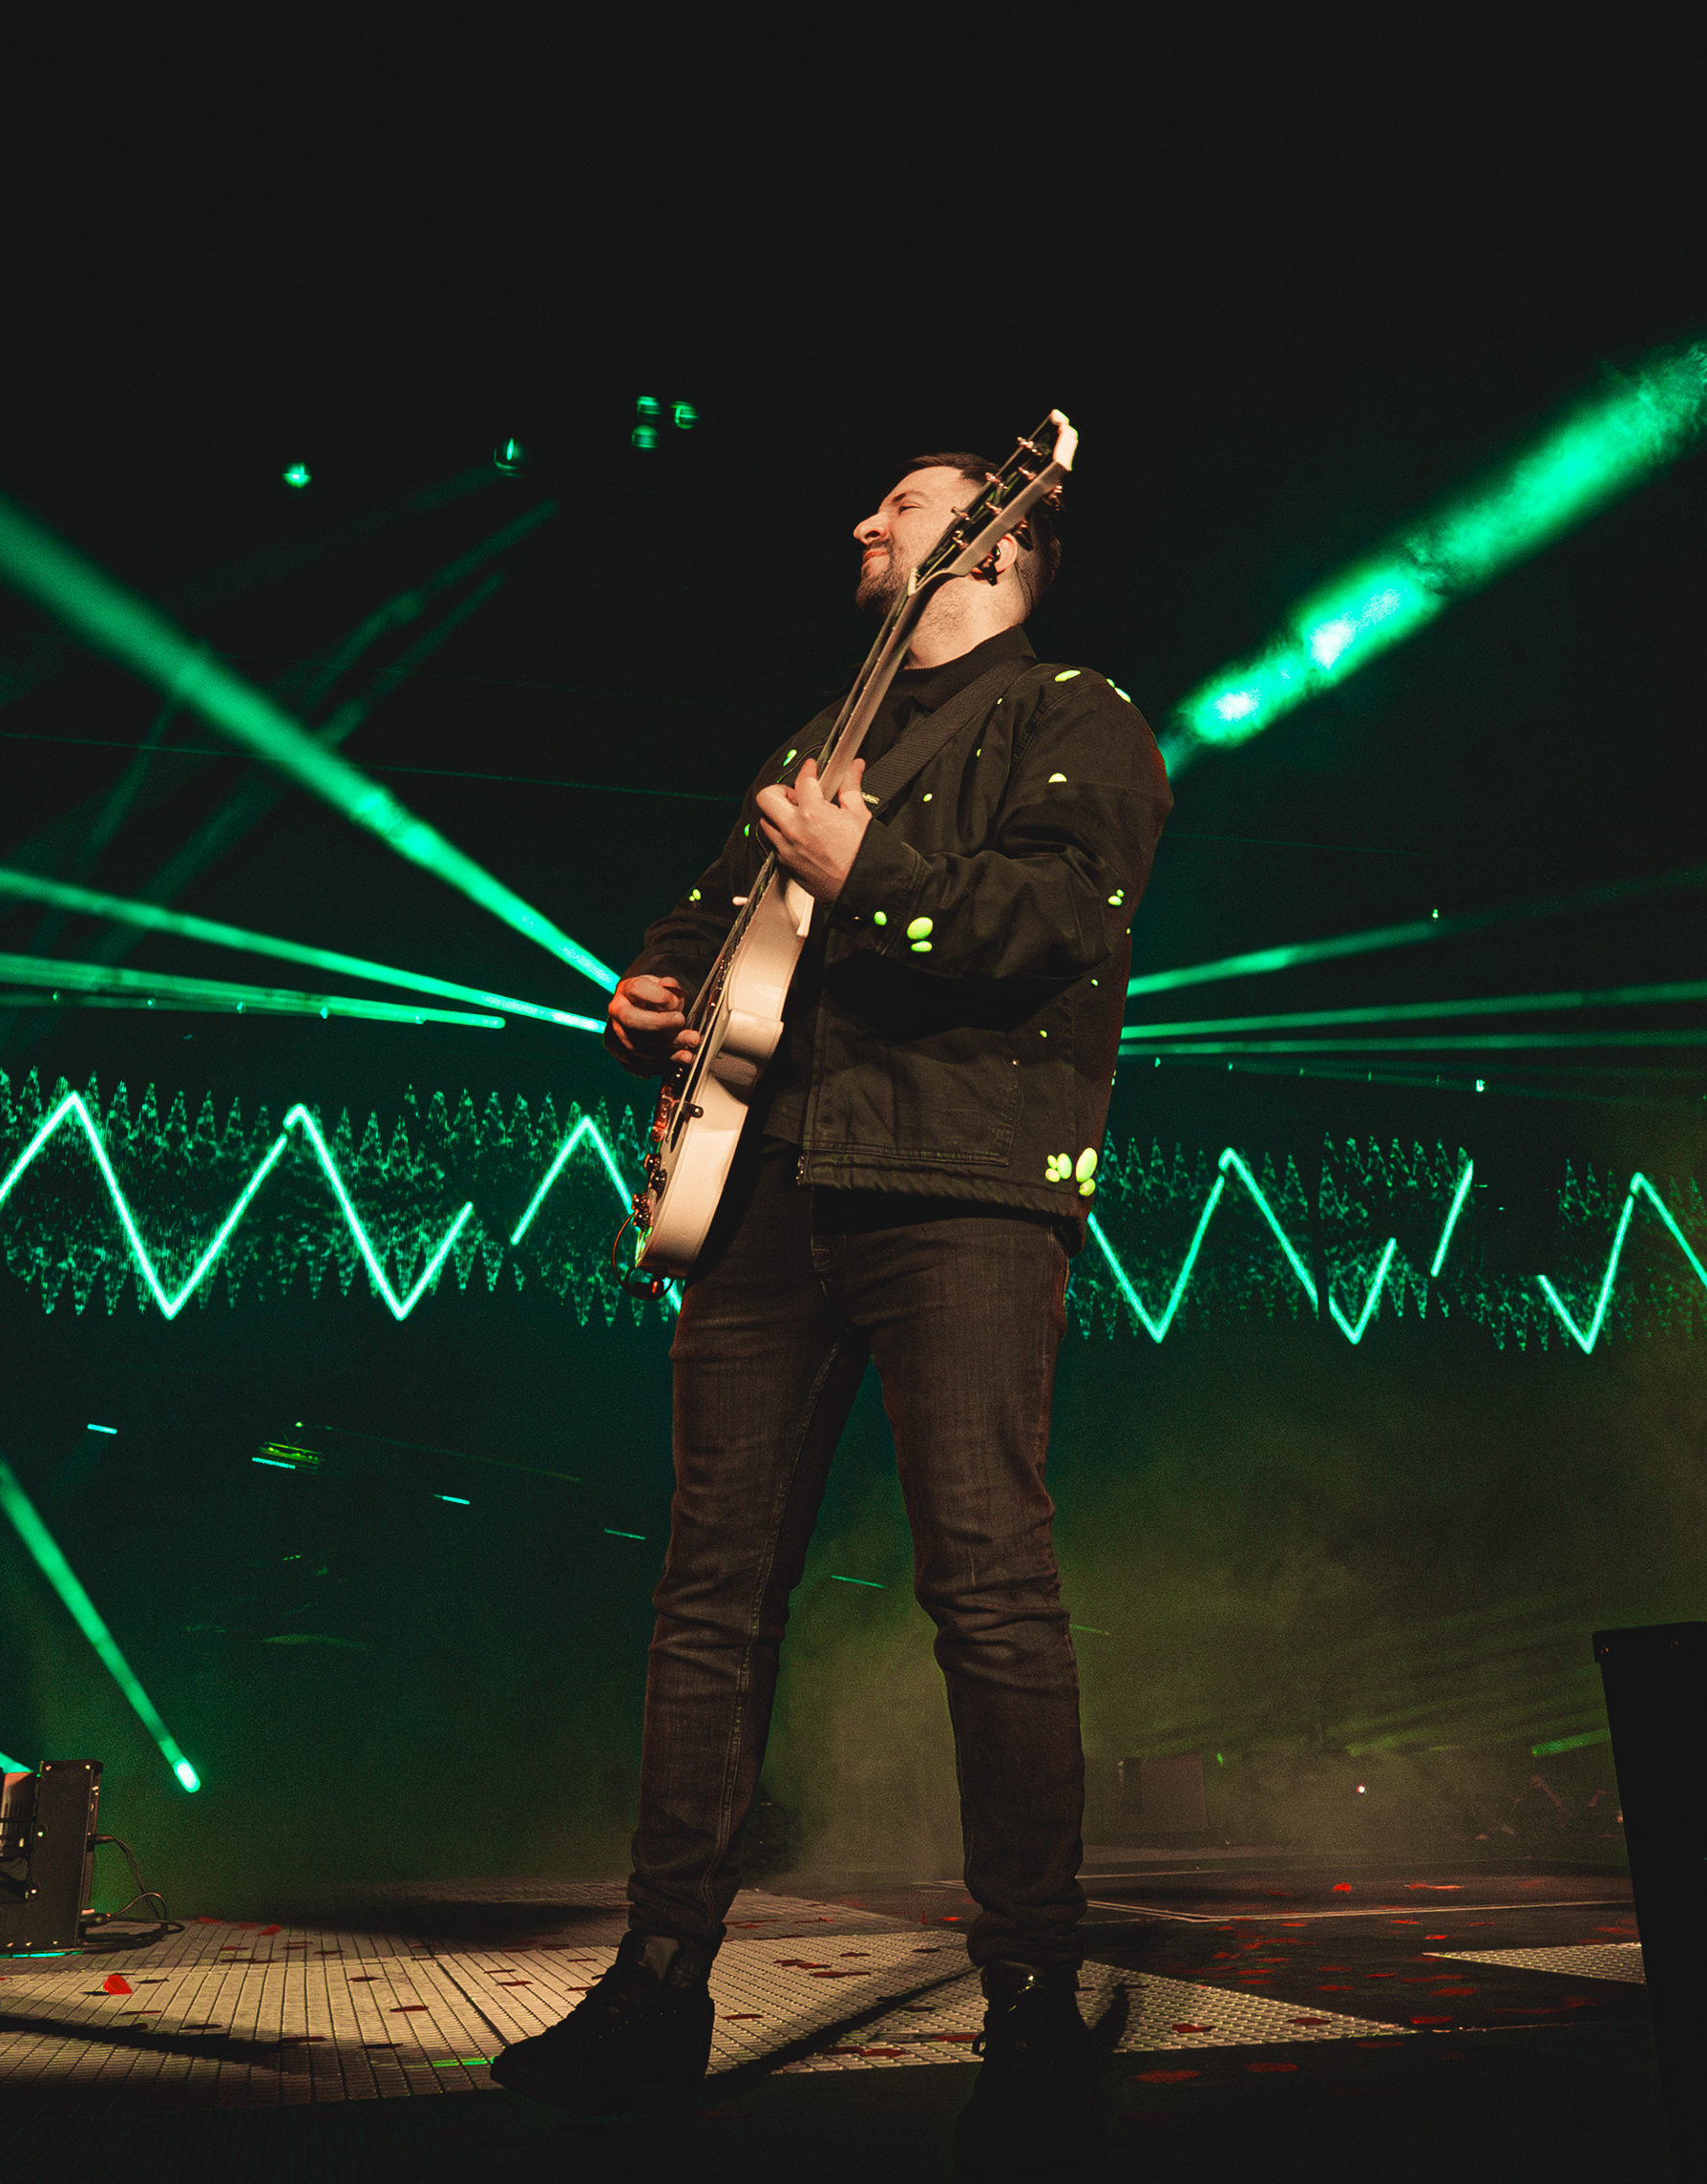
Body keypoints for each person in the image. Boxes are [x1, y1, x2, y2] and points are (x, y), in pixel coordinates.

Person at [491, 453, 1171, 2149]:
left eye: (899, 506)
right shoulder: (818, 738)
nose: (860, 527)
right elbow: (718, 916)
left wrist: (869, 868)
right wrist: (647, 990)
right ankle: (658, 1981)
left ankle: (1028, 1996)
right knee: (708, 1595)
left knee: (989, 1584)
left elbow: (1053, 929)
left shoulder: (1077, 714)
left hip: (956, 1190)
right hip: (767, 1190)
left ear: (995, 537)